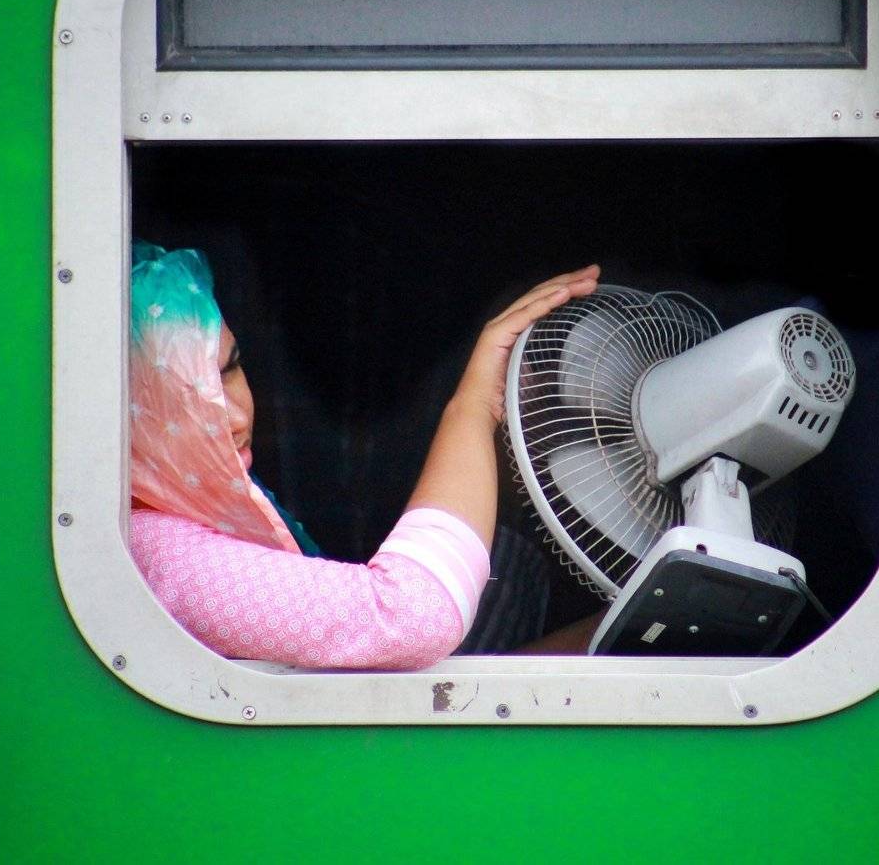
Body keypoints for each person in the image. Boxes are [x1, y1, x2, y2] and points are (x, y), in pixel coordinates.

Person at [125, 240, 601, 669]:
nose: (233, 417)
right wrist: (475, 406)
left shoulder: (199, 507)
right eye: (178, 401)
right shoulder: (156, 552)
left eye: (228, 369)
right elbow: (410, 617)